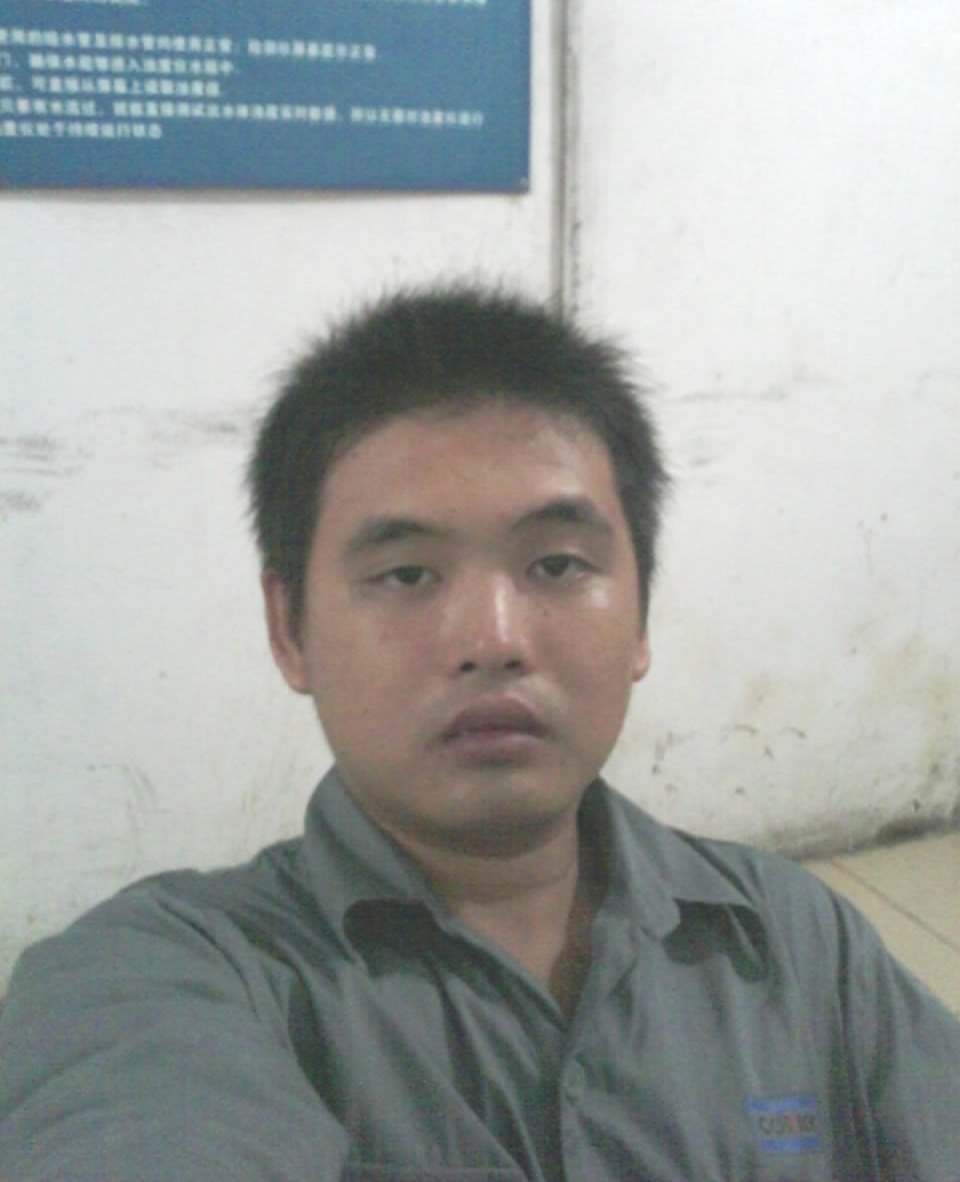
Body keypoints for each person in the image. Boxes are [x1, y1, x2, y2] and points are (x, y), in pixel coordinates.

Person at [1, 285, 958, 1181]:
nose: (493, 641)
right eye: (407, 575)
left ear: (641, 619)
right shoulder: (159, 975)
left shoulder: (792, 938)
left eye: (557, 563)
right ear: (289, 630)